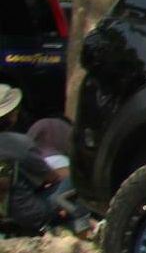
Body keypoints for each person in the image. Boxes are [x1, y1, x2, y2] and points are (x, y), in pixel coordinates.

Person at [0, 86, 91, 238]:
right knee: (76, 181)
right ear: (12, 115)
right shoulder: (20, 144)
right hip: (25, 213)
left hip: (6, 211)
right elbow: (51, 178)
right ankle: (85, 233)